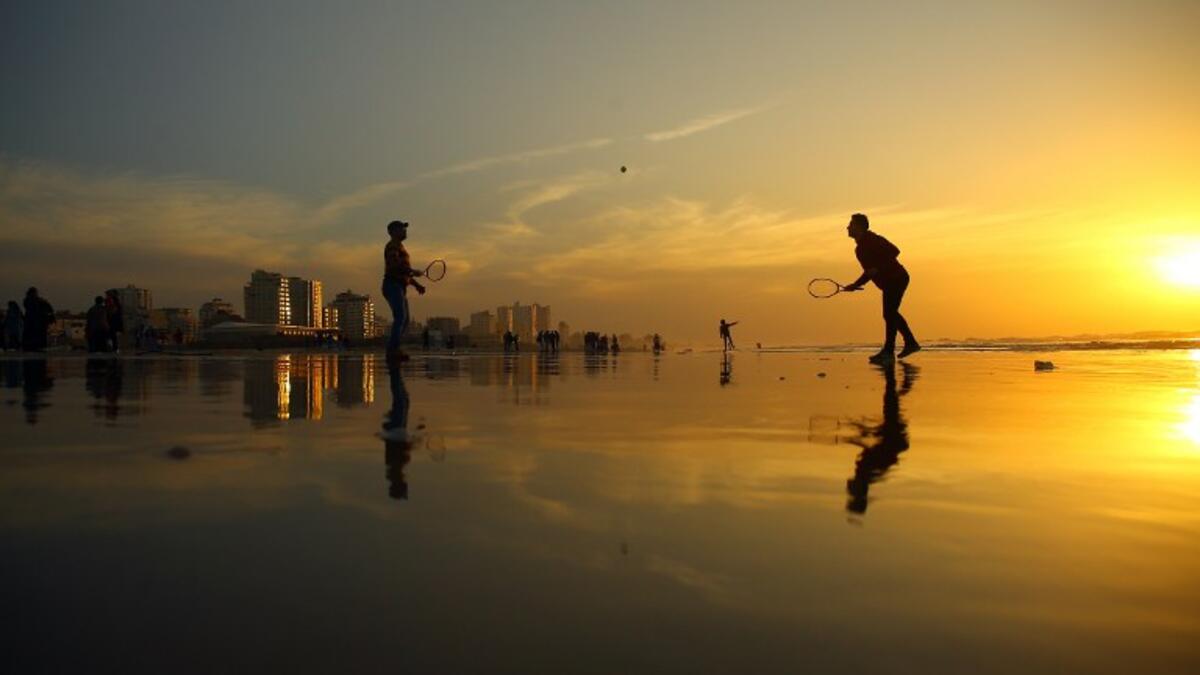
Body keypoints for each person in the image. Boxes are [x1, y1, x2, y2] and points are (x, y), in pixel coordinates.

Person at [841, 213, 920, 363]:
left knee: (889, 313)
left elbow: (895, 251)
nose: (848, 227)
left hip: (897, 278)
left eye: (851, 224)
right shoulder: (860, 248)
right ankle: (905, 345)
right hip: (890, 281)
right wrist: (855, 285)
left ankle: (896, 348)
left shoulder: (873, 240)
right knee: (890, 313)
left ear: (860, 227)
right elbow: (869, 272)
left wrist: (879, 267)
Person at [381, 220, 426, 362]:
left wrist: (416, 284)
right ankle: (392, 350)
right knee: (400, 318)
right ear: (392, 231)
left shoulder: (400, 247)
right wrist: (413, 271)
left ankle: (395, 348)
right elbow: (395, 266)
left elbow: (403, 273)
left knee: (404, 320)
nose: (405, 231)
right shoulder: (392, 246)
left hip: (398, 286)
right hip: (392, 285)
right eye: (402, 228)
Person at [22, 287, 54, 352]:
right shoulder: (38, 301)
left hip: (36, 323)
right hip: (36, 323)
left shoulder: (32, 301)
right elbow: (49, 309)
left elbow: (49, 309)